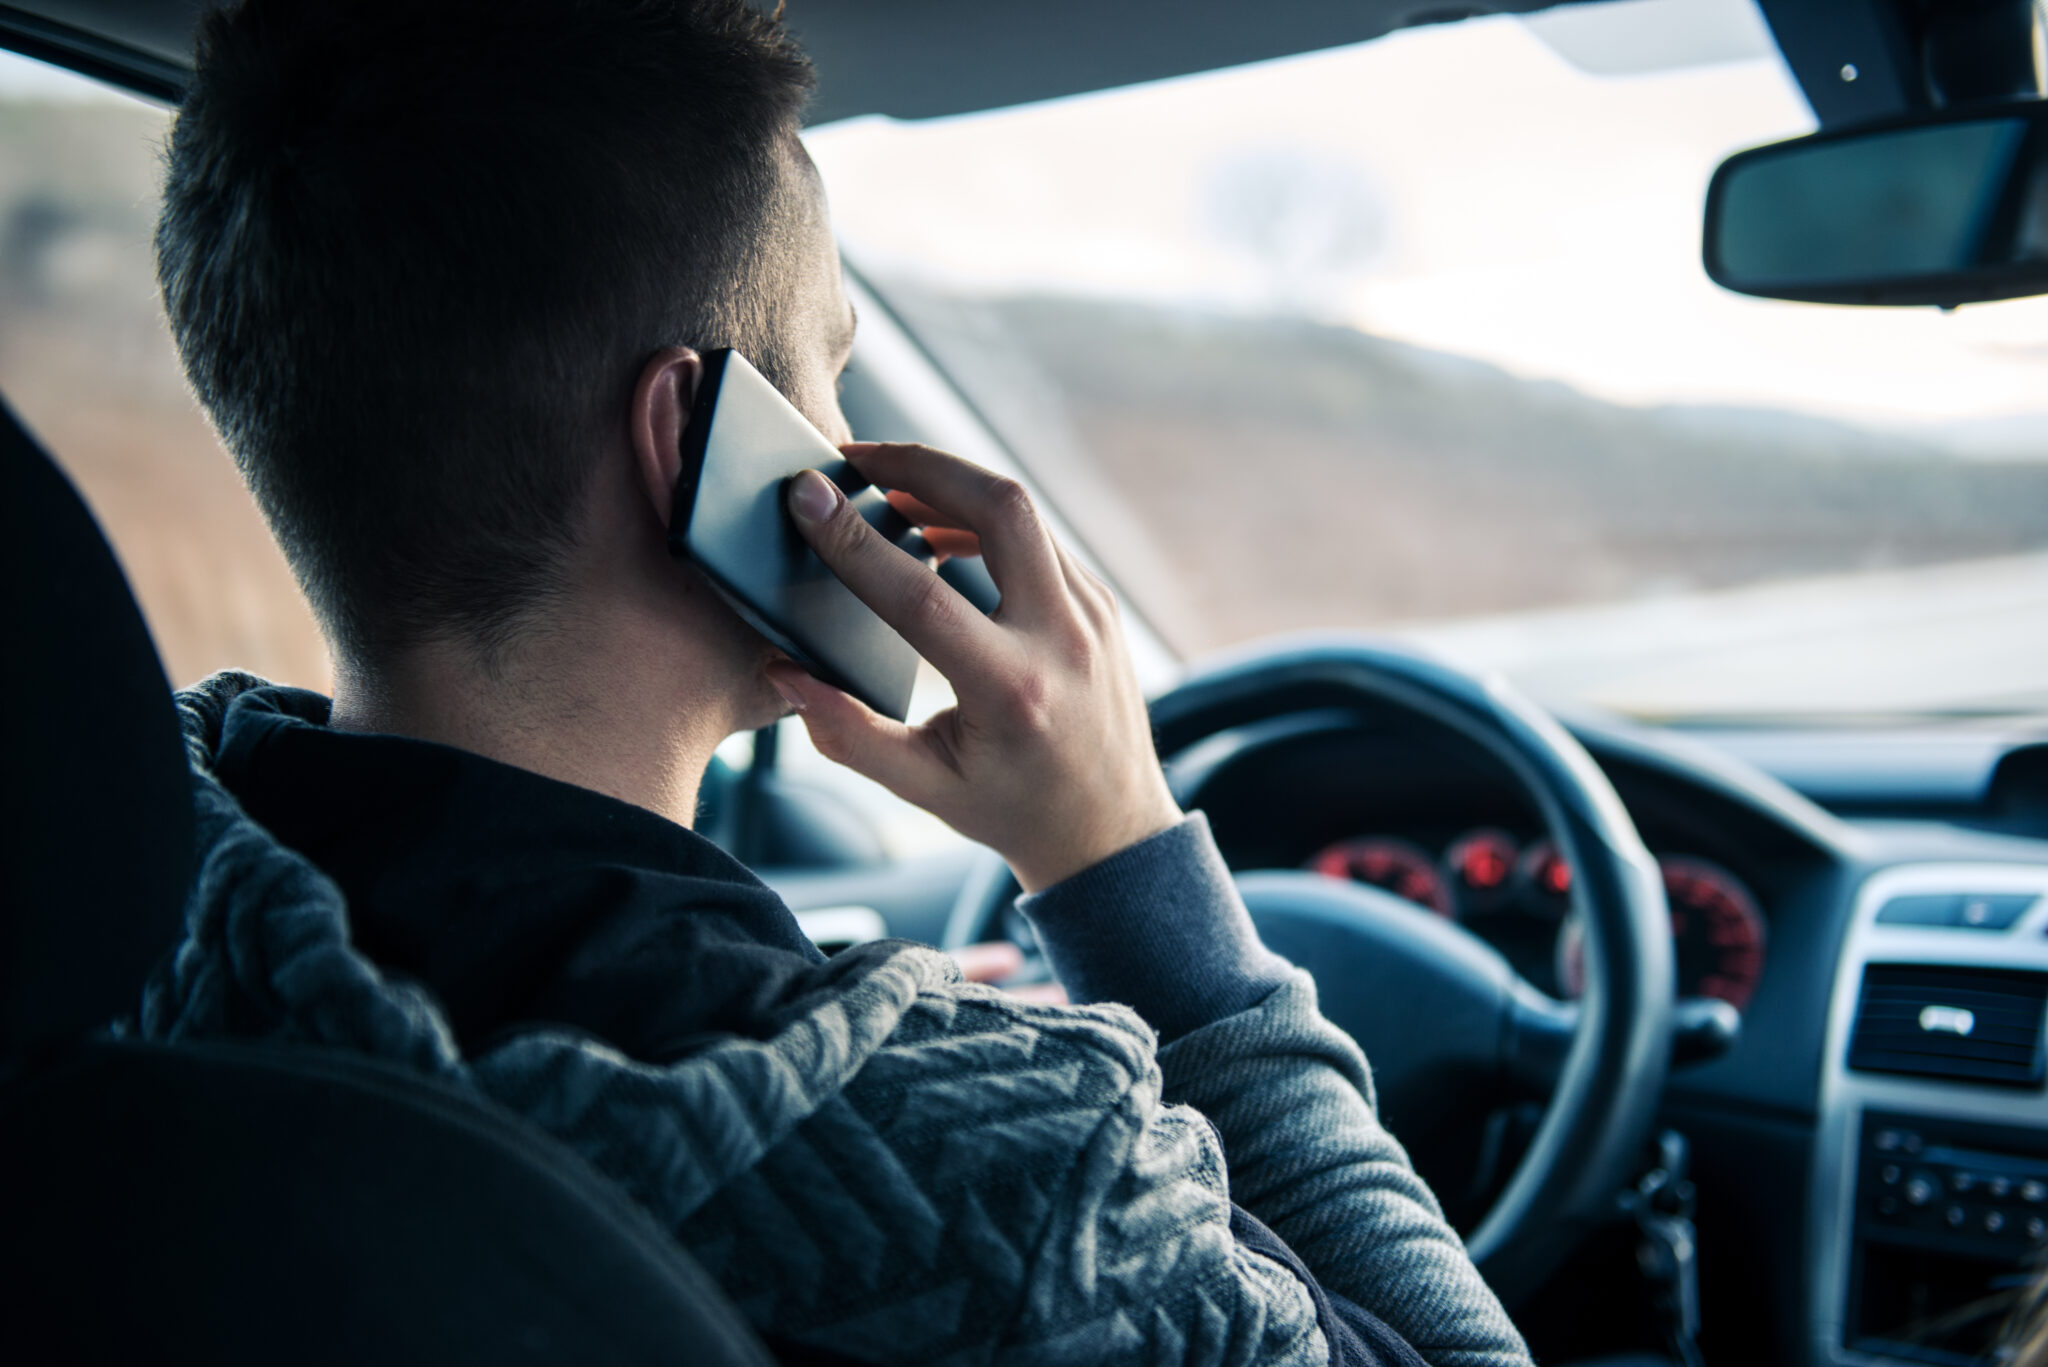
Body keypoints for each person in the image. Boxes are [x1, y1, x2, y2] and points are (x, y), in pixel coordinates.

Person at [146, 2, 1533, 1364]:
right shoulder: (1021, 1186)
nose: (853, 449)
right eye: (832, 376)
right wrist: (1119, 863)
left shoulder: (127, 918)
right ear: (693, 437)